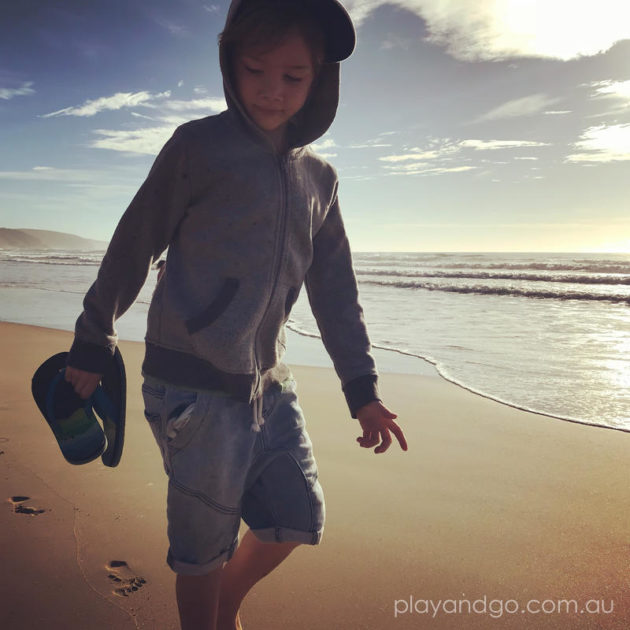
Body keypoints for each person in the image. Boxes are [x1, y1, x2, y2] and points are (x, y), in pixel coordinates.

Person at [64, 0, 408, 628]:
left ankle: (226, 607)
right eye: (255, 70)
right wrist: (94, 338)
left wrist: (362, 389)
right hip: (191, 390)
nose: (272, 91)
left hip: (269, 388)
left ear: (320, 79)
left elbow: (336, 291)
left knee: (297, 519)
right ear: (230, 63)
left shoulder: (320, 180)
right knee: (201, 553)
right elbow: (134, 241)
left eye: (292, 77)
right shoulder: (199, 146)